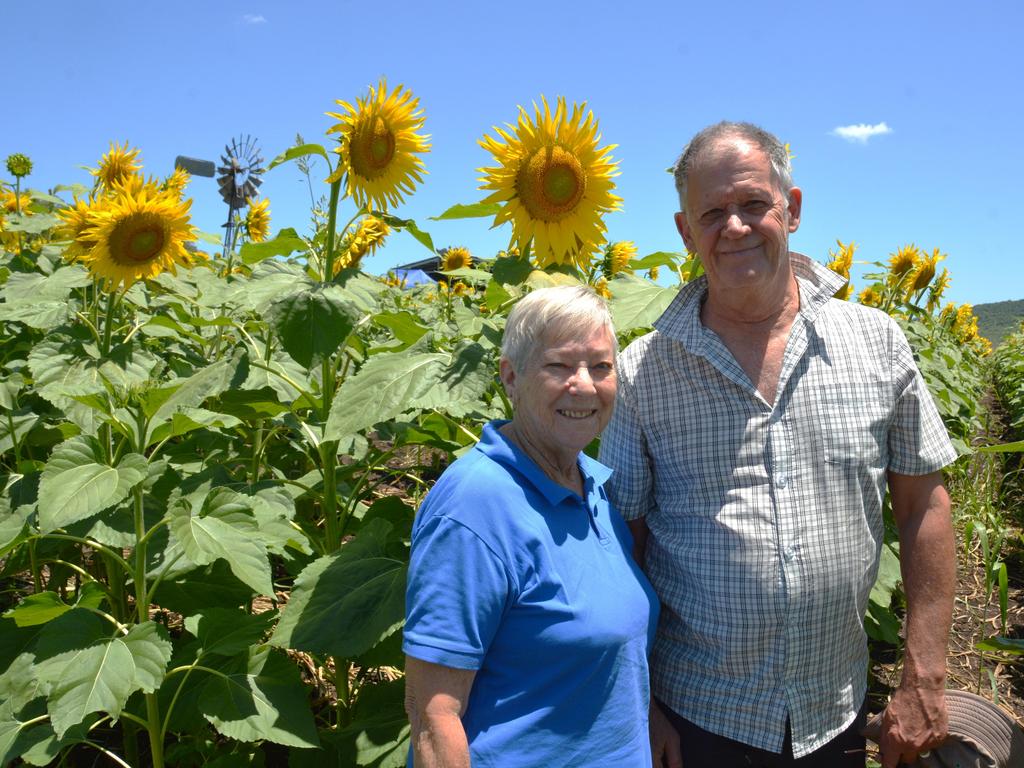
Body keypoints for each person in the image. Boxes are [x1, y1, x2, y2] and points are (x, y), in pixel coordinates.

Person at [599, 122, 957, 768]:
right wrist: (639, 700)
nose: (734, 227)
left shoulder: (876, 342)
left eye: (753, 204)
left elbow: (923, 505)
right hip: (696, 720)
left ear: (791, 209)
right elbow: (623, 548)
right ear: (685, 233)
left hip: (836, 713)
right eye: (711, 213)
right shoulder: (643, 372)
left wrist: (924, 673)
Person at [403, 285, 660, 768]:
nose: (584, 385)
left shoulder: (594, 488)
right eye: (559, 366)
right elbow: (432, 716)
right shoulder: (475, 505)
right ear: (510, 377)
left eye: (601, 367)